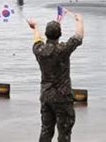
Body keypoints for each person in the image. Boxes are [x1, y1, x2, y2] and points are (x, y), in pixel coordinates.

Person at [28, 14, 84, 142]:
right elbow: (78, 37)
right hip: (62, 97)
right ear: (60, 34)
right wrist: (80, 21)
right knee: (64, 132)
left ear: (46, 35)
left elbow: (37, 39)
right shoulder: (62, 49)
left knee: (46, 130)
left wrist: (35, 26)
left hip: (46, 95)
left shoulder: (39, 49)